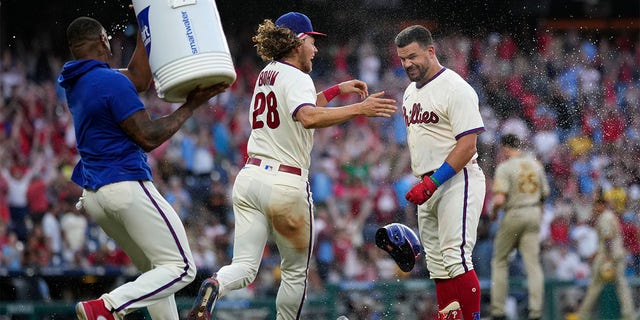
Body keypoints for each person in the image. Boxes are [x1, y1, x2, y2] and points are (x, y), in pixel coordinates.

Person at [187, 11, 397, 320]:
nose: (315, 48)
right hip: (285, 183)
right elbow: (308, 116)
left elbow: (301, 107)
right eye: (312, 41)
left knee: (243, 267)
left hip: (250, 179)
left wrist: (337, 90)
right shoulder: (298, 77)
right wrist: (360, 108)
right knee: (296, 273)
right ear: (298, 42)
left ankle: (216, 283)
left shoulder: (266, 74)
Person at [57, 15, 229, 320]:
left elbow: (137, 77)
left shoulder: (76, 80)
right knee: (183, 268)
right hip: (124, 185)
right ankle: (107, 307)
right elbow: (148, 137)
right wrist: (191, 105)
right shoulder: (109, 81)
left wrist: (146, 22)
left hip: (96, 196)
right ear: (103, 42)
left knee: (157, 270)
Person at [394, 25, 486, 320]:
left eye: (413, 56)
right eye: (402, 59)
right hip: (428, 184)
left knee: (456, 258)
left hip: (457, 179)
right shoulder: (409, 92)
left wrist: (433, 182)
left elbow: (468, 145)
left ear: (430, 51)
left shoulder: (456, 88)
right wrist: (426, 183)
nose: (407, 64)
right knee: (437, 264)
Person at [488, 134, 550, 320]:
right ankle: (536, 311)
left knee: (500, 261)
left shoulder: (505, 167)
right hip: (533, 213)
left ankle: (498, 311)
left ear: (506, 147)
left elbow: (499, 199)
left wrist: (493, 212)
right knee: (532, 264)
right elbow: (544, 193)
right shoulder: (534, 164)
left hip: (514, 212)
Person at [577, 198, 636, 320]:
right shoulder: (611, 215)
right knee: (621, 285)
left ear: (602, 205)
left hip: (607, 256)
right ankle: (629, 314)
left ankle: (583, 315)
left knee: (595, 285)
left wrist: (607, 258)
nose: (595, 208)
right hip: (617, 254)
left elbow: (607, 238)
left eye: (597, 205)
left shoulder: (604, 217)